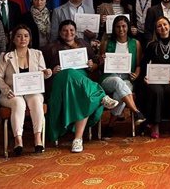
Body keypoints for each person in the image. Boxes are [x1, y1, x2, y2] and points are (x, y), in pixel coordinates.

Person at [43, 20, 119, 153]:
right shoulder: (51, 48)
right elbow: (43, 69)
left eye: (71, 30)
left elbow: (95, 62)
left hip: (81, 83)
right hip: (61, 82)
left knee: (82, 96)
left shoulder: (83, 44)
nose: (68, 33)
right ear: (60, 33)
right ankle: (101, 95)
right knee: (70, 72)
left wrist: (92, 65)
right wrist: (52, 70)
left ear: (75, 31)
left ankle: (77, 139)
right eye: (65, 30)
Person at [0, 24, 52, 155]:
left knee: (37, 100)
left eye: (26, 36)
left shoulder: (37, 54)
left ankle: (38, 138)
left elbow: (42, 73)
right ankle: (18, 140)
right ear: (13, 39)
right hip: (11, 92)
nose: (22, 39)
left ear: (30, 39)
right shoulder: (6, 56)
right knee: (18, 103)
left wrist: (47, 73)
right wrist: (5, 89)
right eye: (19, 36)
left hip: (32, 91)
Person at [99, 15, 146, 137]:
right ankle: (136, 111)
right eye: (118, 27)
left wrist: (137, 73)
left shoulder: (135, 43)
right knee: (117, 81)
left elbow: (139, 64)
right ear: (114, 28)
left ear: (128, 27)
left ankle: (110, 126)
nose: (121, 29)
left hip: (127, 78)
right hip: (109, 78)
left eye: (124, 26)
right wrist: (102, 60)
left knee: (120, 93)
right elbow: (99, 64)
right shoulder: (106, 43)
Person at [141, 16, 170, 138]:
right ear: (156, 29)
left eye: (165, 24)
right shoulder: (152, 45)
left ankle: (169, 118)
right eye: (159, 26)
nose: (163, 28)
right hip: (155, 79)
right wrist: (145, 76)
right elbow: (144, 63)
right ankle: (155, 124)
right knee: (157, 91)